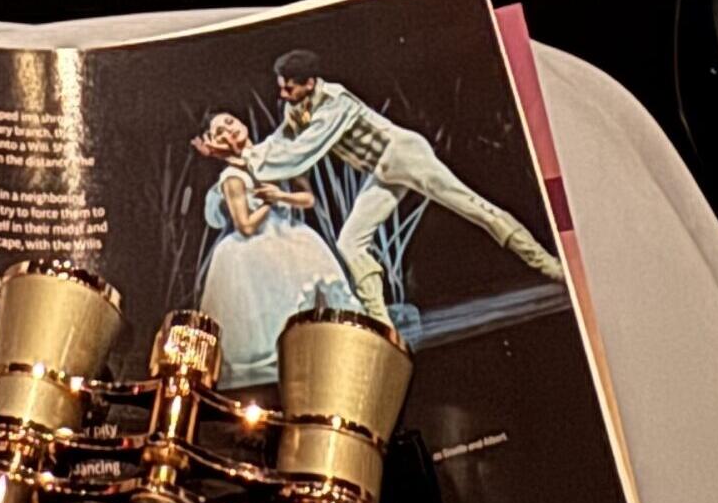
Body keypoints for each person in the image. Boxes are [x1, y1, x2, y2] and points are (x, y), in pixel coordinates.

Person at [227, 48, 563, 326]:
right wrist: (245, 154)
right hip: (381, 170)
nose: (283, 94)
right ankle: (381, 322)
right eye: (282, 87)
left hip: (404, 155)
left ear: (310, 83)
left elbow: (302, 153)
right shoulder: (295, 107)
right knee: (350, 242)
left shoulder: (335, 102)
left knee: (474, 208)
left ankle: (547, 265)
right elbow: (281, 140)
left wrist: (250, 161)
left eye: (289, 88)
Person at [191, 111, 357, 390]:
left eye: (230, 123)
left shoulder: (276, 154)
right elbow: (244, 225)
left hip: (289, 234)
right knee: (269, 307)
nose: (228, 132)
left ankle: (326, 349)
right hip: (254, 244)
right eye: (219, 132)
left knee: (315, 280)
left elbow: (307, 199)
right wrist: (269, 204)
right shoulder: (232, 177)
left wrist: (280, 196)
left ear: (242, 122)